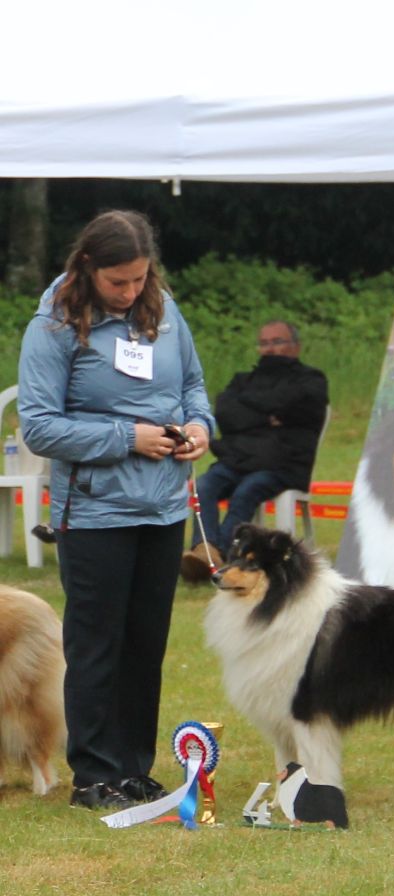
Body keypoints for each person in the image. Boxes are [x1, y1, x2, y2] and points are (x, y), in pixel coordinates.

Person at [18, 210, 215, 812]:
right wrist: (127, 438)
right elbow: (40, 426)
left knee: (144, 642)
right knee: (97, 643)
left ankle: (135, 768)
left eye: (138, 280)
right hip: (97, 512)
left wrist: (199, 427)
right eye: (117, 283)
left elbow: (193, 387)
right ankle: (94, 772)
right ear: (87, 268)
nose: (130, 293)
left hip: (163, 506)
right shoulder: (53, 325)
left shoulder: (164, 309)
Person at [180, 320, 328, 581]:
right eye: (265, 343)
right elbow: (225, 414)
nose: (270, 349)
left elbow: (300, 407)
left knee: (247, 491)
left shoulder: (312, 380)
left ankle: (222, 556)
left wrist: (251, 409)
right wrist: (269, 415)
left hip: (283, 464)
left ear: (295, 346)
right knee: (204, 485)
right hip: (238, 459)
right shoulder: (243, 380)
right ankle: (205, 550)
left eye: (277, 342)